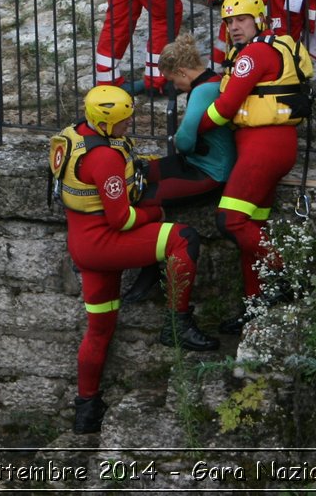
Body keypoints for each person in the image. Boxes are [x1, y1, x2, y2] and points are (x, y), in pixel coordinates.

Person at [54, 84, 218, 435]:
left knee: (99, 330)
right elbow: (122, 220)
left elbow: (121, 178)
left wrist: (165, 168)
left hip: (83, 244)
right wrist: (155, 212)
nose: (130, 124)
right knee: (182, 238)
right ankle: (177, 324)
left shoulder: (75, 135)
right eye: (124, 121)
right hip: (105, 243)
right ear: (105, 122)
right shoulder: (104, 157)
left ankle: (86, 411)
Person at [203, 0, 313, 333]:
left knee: (231, 221)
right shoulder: (259, 49)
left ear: (258, 20)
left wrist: (191, 131)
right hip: (268, 147)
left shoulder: (256, 53)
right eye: (229, 22)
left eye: (241, 20)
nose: (234, 28)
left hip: (264, 149)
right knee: (254, 227)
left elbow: (225, 108)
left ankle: (285, 278)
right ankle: (255, 303)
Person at [122, 36, 238, 305]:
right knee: (139, 173)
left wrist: (179, 138)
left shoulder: (203, 91)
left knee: (147, 196)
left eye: (174, 81)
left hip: (210, 171)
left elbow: (185, 139)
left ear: (183, 72)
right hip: (197, 161)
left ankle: (150, 269)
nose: (176, 86)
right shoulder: (212, 80)